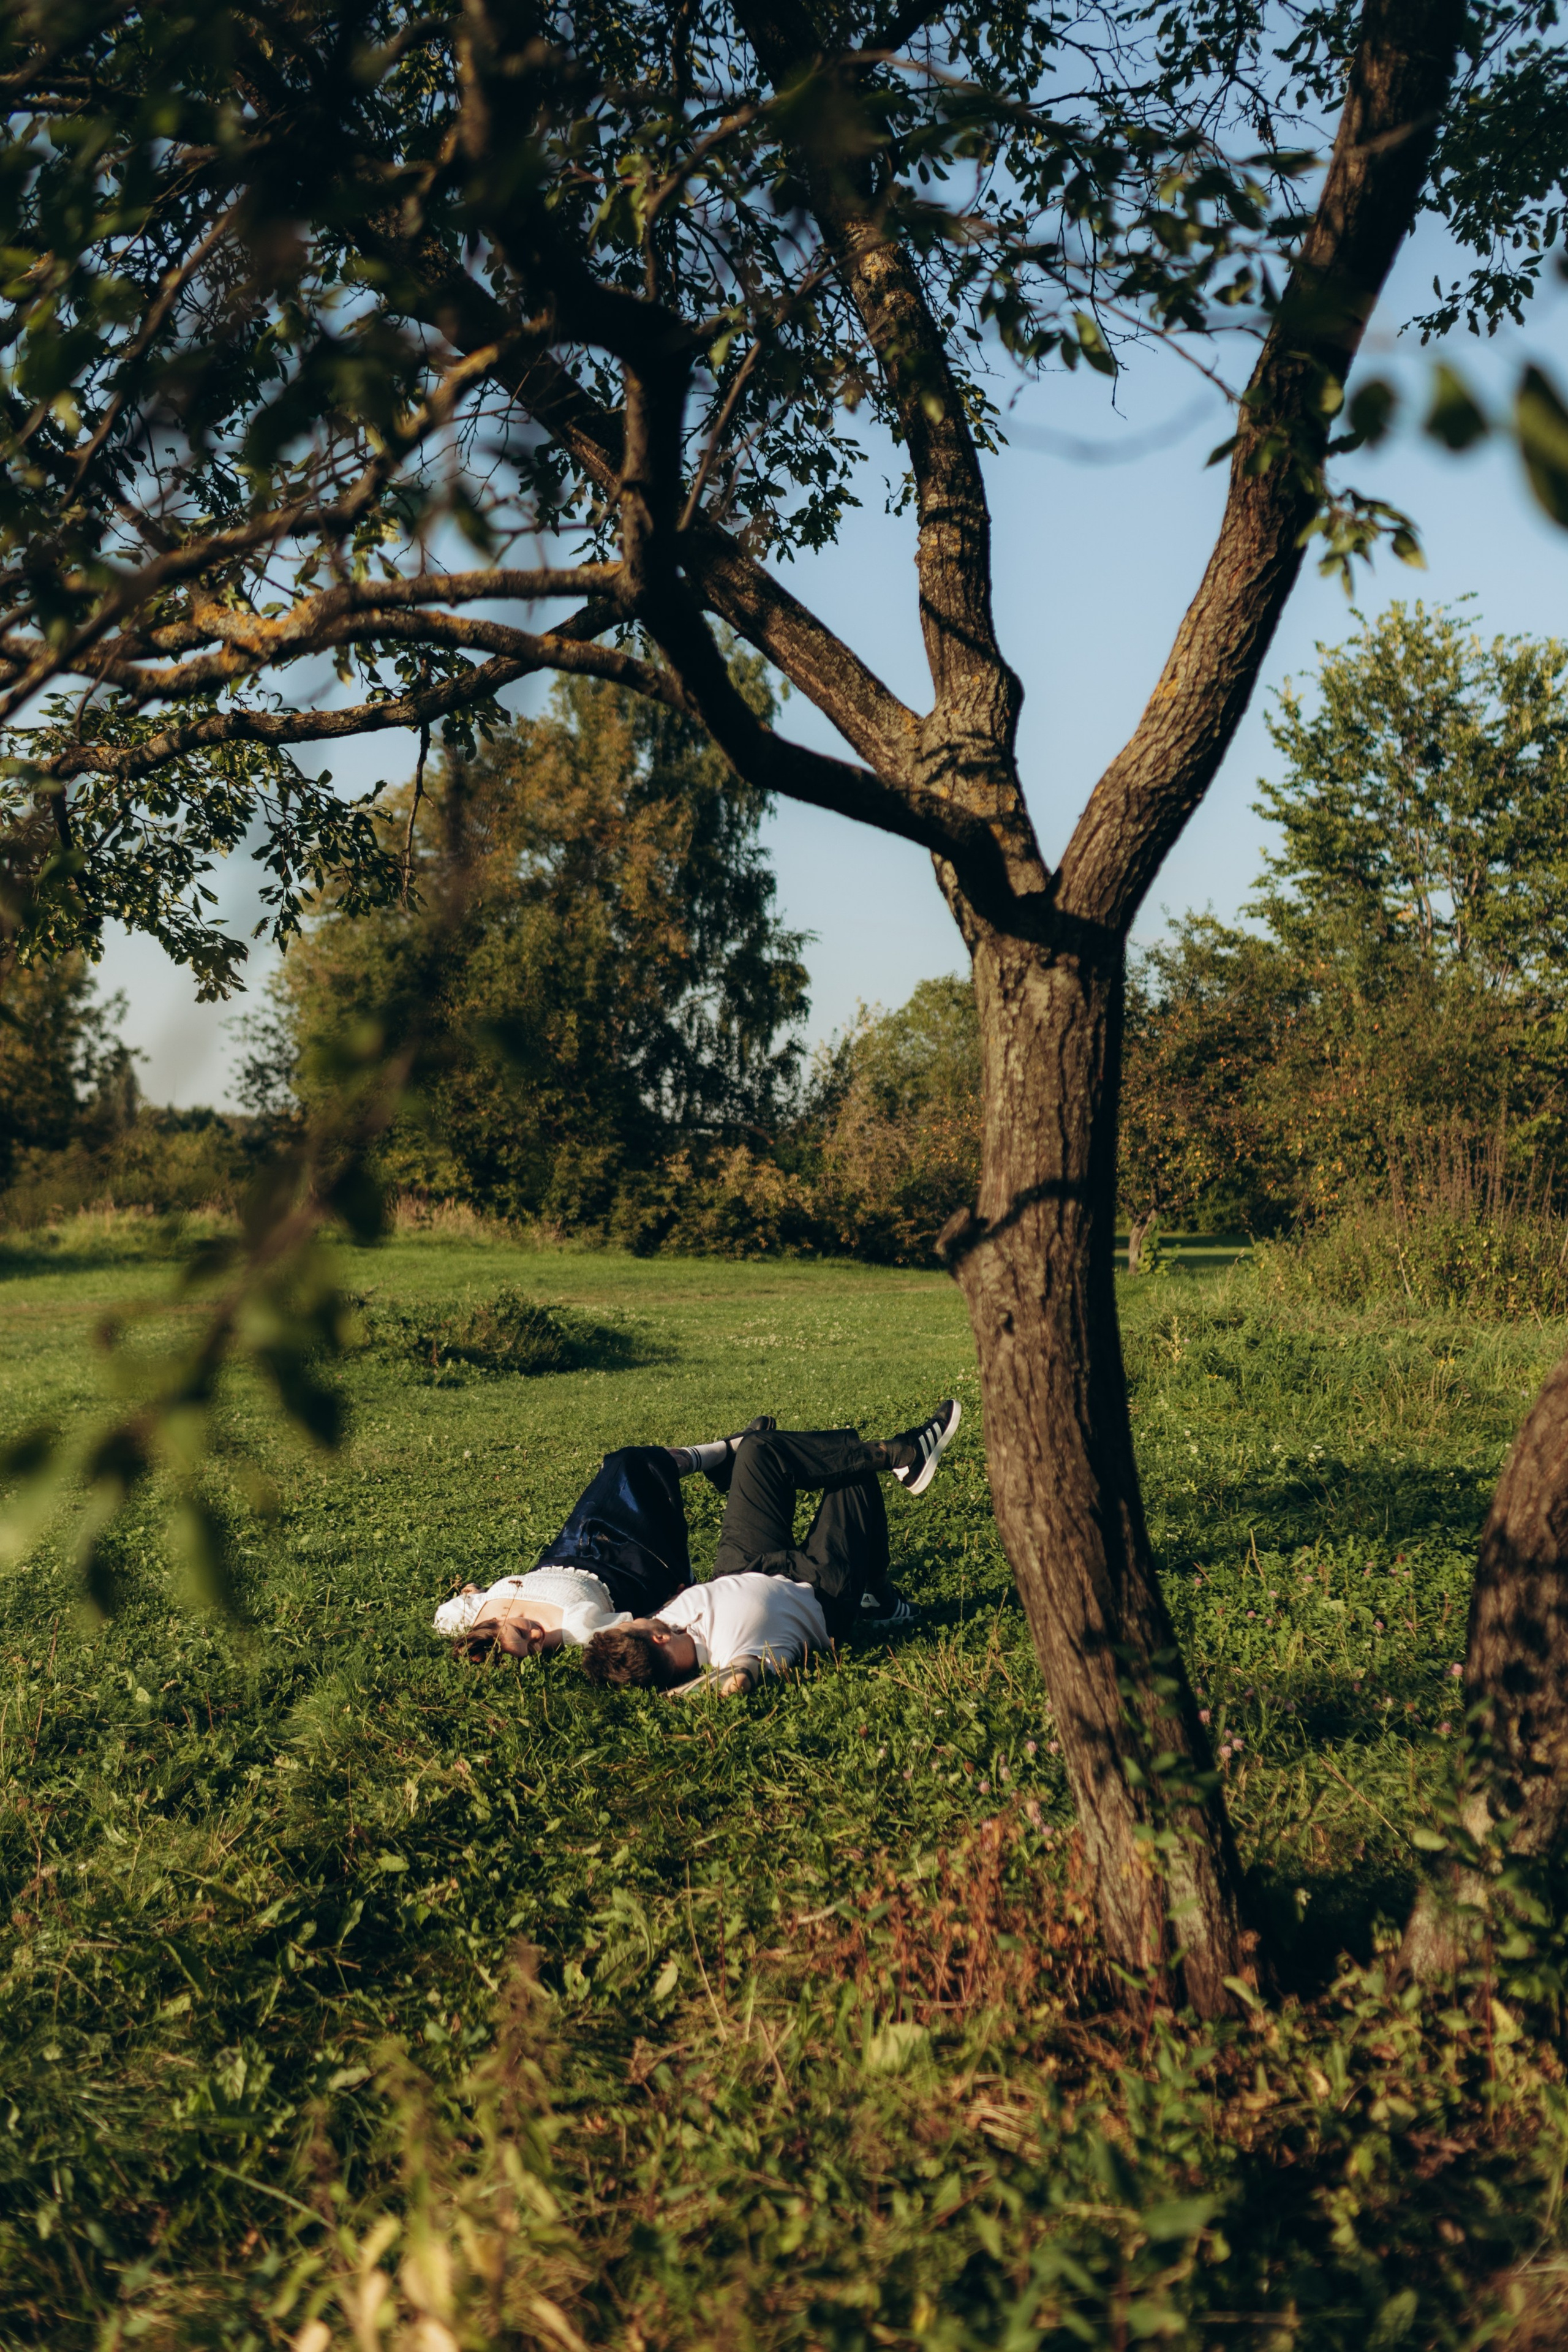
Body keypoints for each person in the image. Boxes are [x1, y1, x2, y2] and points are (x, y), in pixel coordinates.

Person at [582, 1570, 830, 1697]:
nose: (638, 1619)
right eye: (633, 1625)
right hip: (818, 1585)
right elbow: (738, 1679)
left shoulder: (667, 1623)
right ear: (660, 1639)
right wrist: (668, 1697)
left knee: (756, 1468)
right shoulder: (731, 1652)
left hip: (743, 1564)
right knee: (853, 1485)